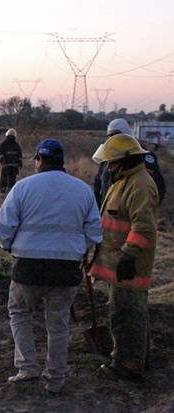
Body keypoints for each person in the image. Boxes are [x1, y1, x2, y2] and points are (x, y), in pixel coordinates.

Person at [0, 139, 102, 394]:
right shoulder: (83, 190)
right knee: (58, 324)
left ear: (39, 160)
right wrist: (77, 251)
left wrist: (9, 247)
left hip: (28, 268)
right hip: (66, 269)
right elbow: (94, 232)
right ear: (61, 161)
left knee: (20, 313)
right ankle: (55, 379)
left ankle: (27, 368)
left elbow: (4, 226)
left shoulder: (22, 187)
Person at [89, 133, 158, 382]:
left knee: (126, 315)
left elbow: (144, 228)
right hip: (119, 264)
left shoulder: (139, 185)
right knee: (130, 313)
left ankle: (127, 365)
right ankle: (138, 358)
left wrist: (128, 257)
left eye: (112, 161)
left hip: (129, 266)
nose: (109, 166)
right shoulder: (124, 180)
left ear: (127, 160)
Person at [94, 118, 165, 207]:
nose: (114, 139)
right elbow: (98, 186)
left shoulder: (142, 155)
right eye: (111, 136)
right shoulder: (107, 158)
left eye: (117, 135)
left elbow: (157, 184)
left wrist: (150, 207)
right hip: (109, 213)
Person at [0, 128, 23, 193]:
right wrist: (20, 163)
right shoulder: (16, 145)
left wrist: (2, 161)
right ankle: (8, 190)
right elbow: (19, 155)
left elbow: (0, 153)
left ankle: (5, 190)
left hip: (8, 165)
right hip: (11, 165)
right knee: (10, 178)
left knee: (6, 178)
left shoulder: (3, 144)